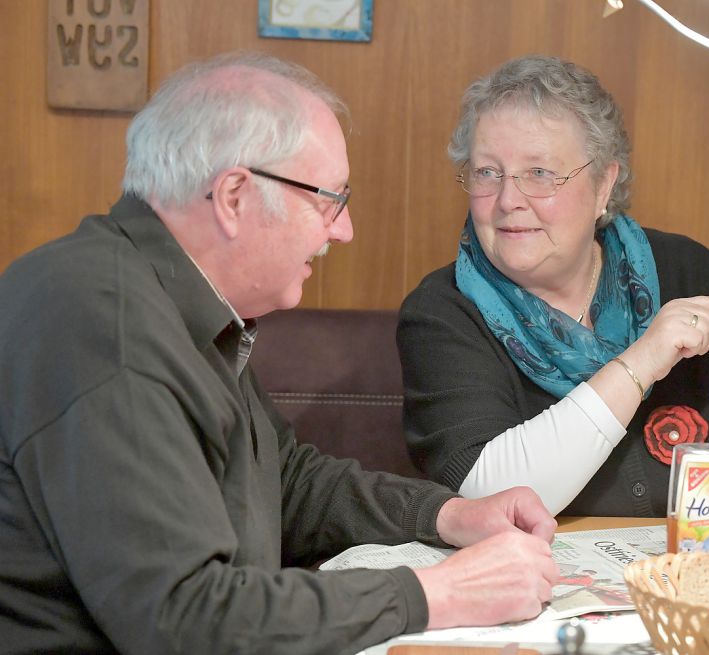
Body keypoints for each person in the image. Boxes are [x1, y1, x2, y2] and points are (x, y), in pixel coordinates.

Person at [0, 52, 560, 655]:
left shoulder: (166, 294)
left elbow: (281, 480)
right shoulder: (105, 327)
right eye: (329, 199)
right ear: (235, 197)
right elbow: (185, 621)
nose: (342, 230)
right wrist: (439, 595)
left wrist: (446, 515)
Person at [397, 55, 709, 517]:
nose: (508, 200)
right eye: (487, 173)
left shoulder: (688, 271)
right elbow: (486, 494)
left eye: (539, 174)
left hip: (702, 574)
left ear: (603, 185)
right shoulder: (441, 313)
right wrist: (642, 360)